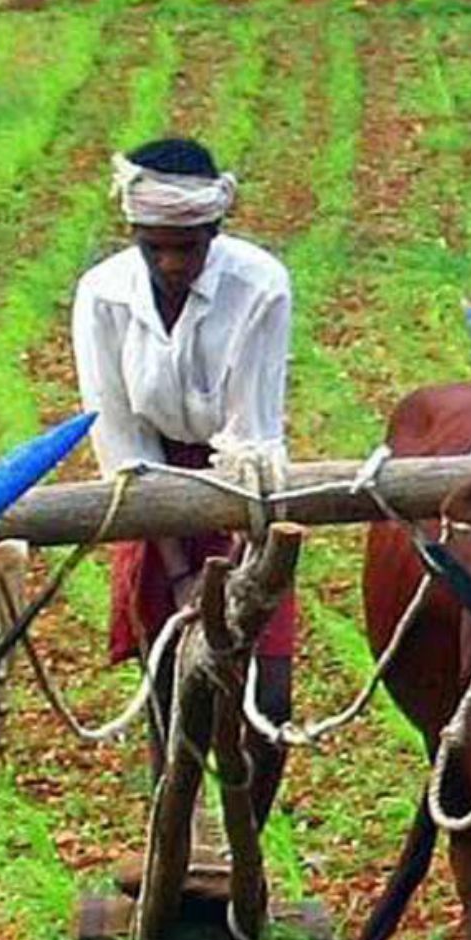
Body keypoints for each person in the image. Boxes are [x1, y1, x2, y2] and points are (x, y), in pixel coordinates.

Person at [71, 136, 296, 827]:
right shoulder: (104, 296)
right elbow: (121, 438)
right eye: (156, 247)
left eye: (188, 247)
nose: (171, 263)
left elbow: (249, 433)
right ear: (135, 235)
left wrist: (238, 575)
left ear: (215, 231)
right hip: (150, 491)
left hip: (242, 490)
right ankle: (177, 837)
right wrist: (177, 575)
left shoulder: (260, 285)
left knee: (270, 694)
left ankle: (243, 847)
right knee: (173, 680)